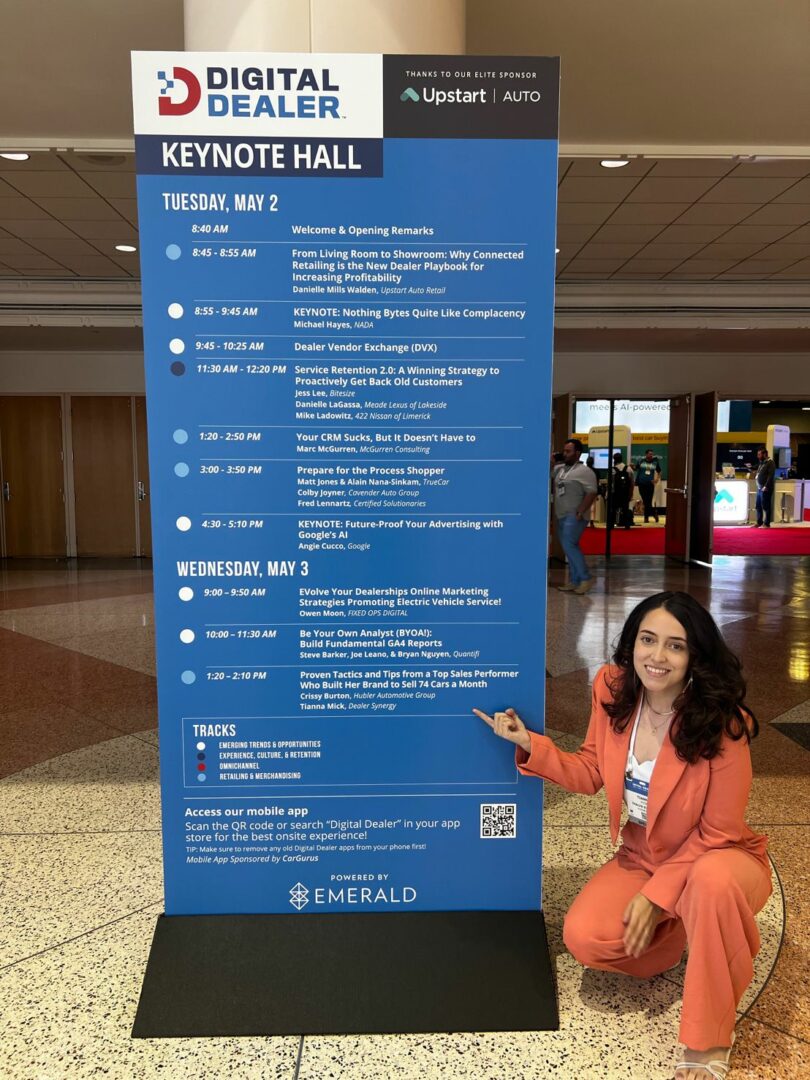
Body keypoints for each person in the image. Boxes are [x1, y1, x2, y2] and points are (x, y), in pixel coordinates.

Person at [474, 591, 769, 1080]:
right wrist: (529, 744)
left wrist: (655, 897)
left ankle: (709, 1039)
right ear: (632, 644)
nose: (658, 656)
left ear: (695, 656)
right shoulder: (613, 688)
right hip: (643, 854)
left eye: (676, 646)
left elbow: (718, 833)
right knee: (586, 938)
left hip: (721, 859)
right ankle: (689, 932)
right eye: (647, 640)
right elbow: (592, 768)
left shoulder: (724, 723)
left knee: (711, 884)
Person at [552, 439, 598, 594]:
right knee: (569, 547)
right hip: (561, 514)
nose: (564, 454)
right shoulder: (560, 469)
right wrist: (552, 460)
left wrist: (580, 511)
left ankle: (585, 578)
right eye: (564, 451)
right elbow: (546, 472)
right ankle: (575, 580)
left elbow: (592, 492)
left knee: (569, 545)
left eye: (568, 451)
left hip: (575, 515)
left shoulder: (585, 471)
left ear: (577, 453)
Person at [635, 449, 662, 523]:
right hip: (641, 484)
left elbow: (659, 471)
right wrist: (632, 466)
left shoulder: (655, 462)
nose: (651, 455)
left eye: (652, 454)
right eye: (650, 454)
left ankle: (646, 518)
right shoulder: (641, 461)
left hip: (650, 484)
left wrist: (656, 479)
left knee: (648, 501)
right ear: (646, 454)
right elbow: (635, 469)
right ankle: (653, 513)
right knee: (645, 501)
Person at [752, 446, 775, 528]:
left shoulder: (770, 462)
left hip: (766, 488)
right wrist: (750, 467)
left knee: (766, 506)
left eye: (759, 454)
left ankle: (767, 523)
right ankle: (759, 522)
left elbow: (770, 476)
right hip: (759, 488)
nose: (758, 456)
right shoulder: (762, 463)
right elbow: (756, 468)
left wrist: (766, 486)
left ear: (764, 454)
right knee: (758, 506)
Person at [611, 451, 634, 529]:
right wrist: (631, 494)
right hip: (625, 492)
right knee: (625, 508)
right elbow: (632, 483)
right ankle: (627, 525)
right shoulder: (629, 469)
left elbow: (610, 484)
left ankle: (611, 525)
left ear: (614, 460)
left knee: (613, 509)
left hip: (615, 493)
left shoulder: (612, 470)